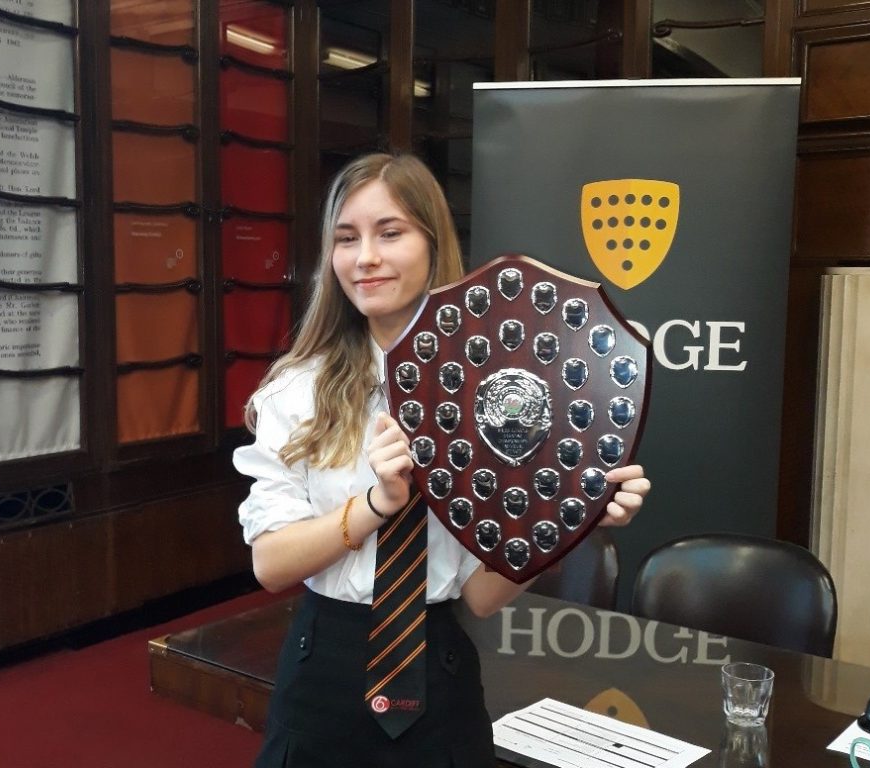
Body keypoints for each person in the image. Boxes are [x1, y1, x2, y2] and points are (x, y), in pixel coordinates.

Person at [233, 153, 651, 768]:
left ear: (433, 243)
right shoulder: (295, 391)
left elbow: (481, 598)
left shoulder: (507, 396)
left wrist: (573, 514)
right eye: (346, 239)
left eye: (390, 232)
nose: (365, 257)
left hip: (441, 669)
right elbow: (270, 563)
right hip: (322, 672)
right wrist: (378, 505)